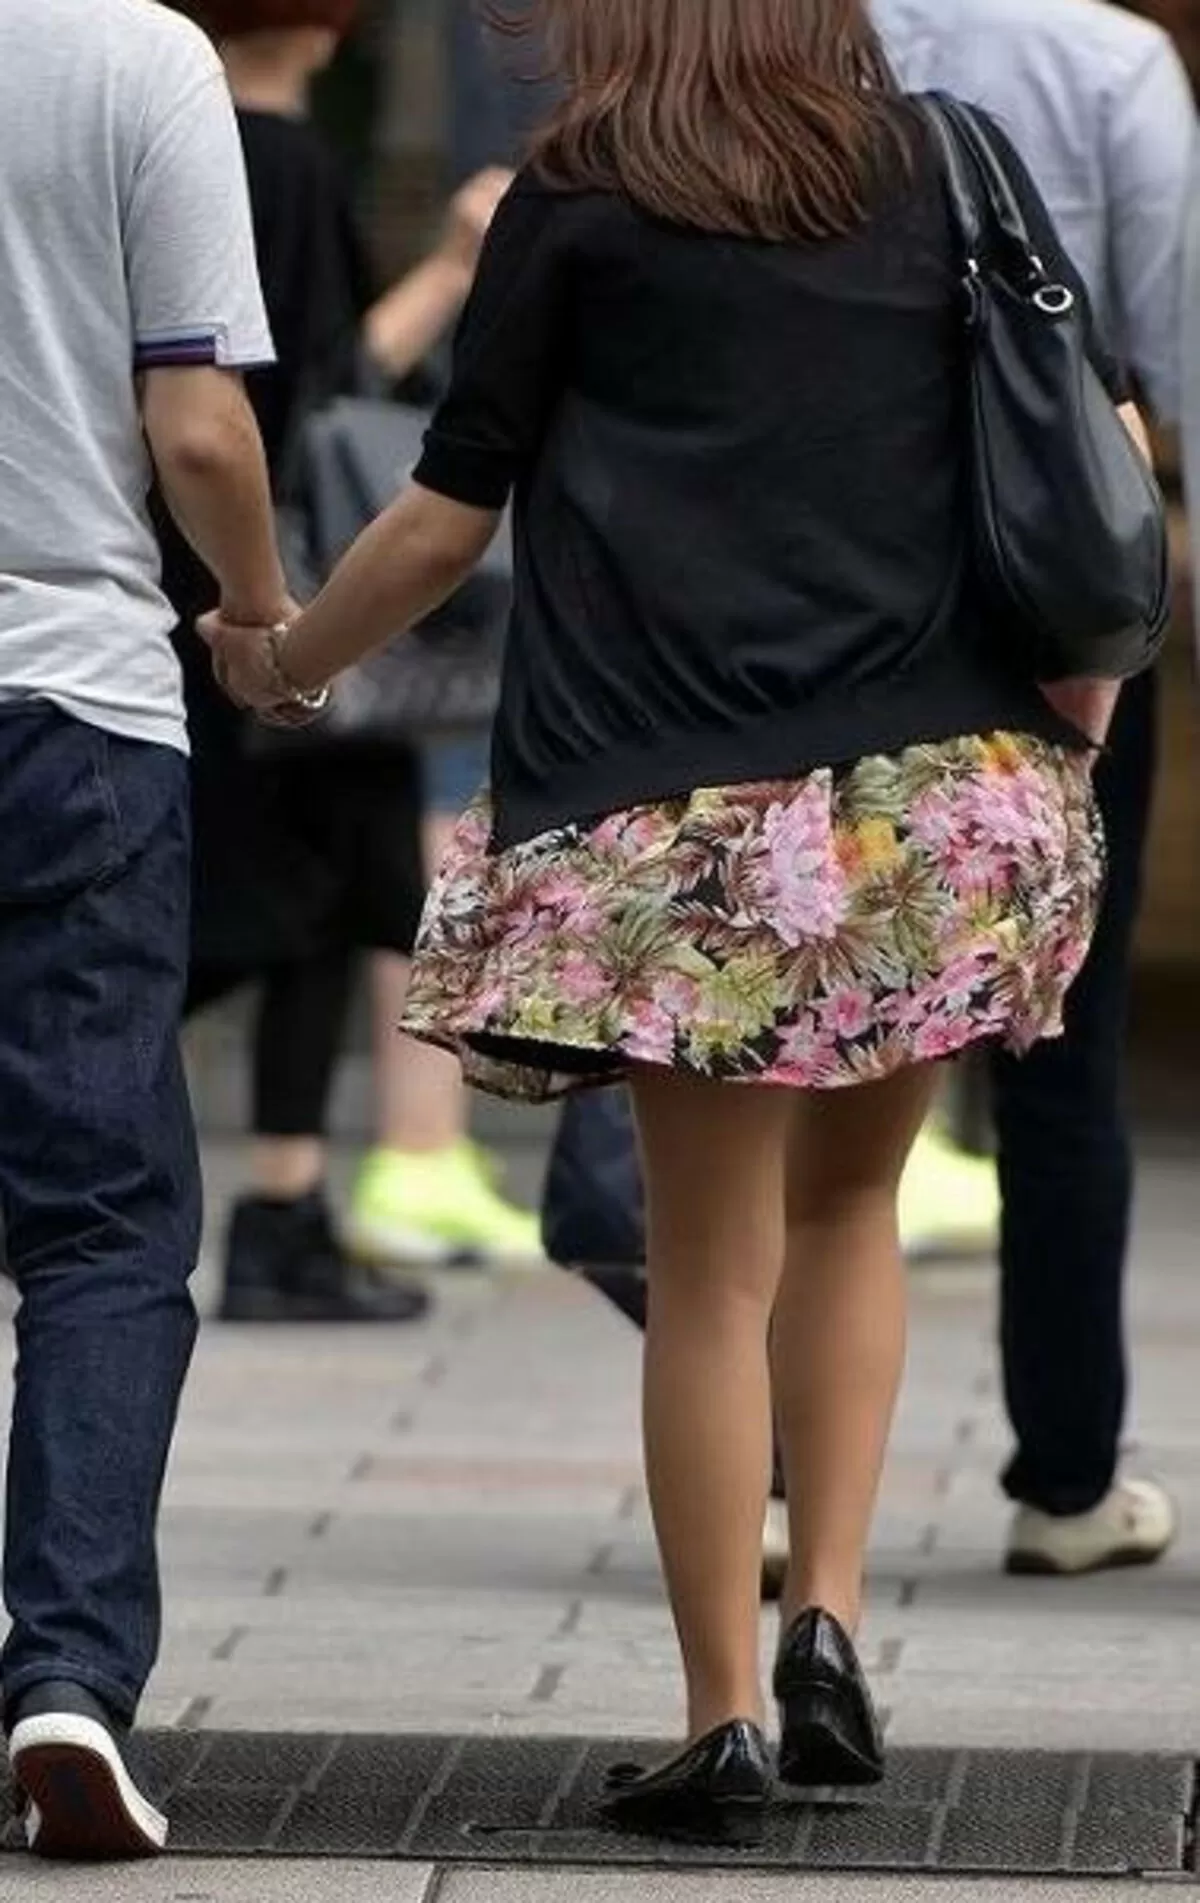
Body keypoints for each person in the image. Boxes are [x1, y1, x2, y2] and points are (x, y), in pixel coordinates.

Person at [208, 0, 1141, 1823]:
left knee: (711, 1272)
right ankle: (831, 1621)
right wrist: (1072, 739)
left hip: (673, 823)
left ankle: (722, 1709)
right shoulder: (945, 160)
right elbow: (1090, 442)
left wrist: (288, 658)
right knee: (855, 1208)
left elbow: (445, 517)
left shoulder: (582, 192)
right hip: (934, 797)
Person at [0, 0, 288, 1857]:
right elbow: (198, 426)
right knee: (102, 1224)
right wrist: (262, 616)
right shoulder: (137, 58)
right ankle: (66, 1679)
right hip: (73, 697)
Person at [871, 0, 1196, 1577]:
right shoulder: (1109, 61)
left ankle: (781, 1473)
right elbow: (1176, 344)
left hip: (833, 592)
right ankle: (1066, 1482)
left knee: (821, 1033)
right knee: (1067, 1043)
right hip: (1059, 605)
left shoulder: (801, 34)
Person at [171, 0, 535, 1323]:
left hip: (194, 571)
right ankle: (277, 1215)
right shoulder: (278, 161)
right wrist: (452, 268)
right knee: (278, 903)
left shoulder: (173, 142)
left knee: (296, 896)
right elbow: (319, 389)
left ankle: (288, 1206)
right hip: (269, 593)